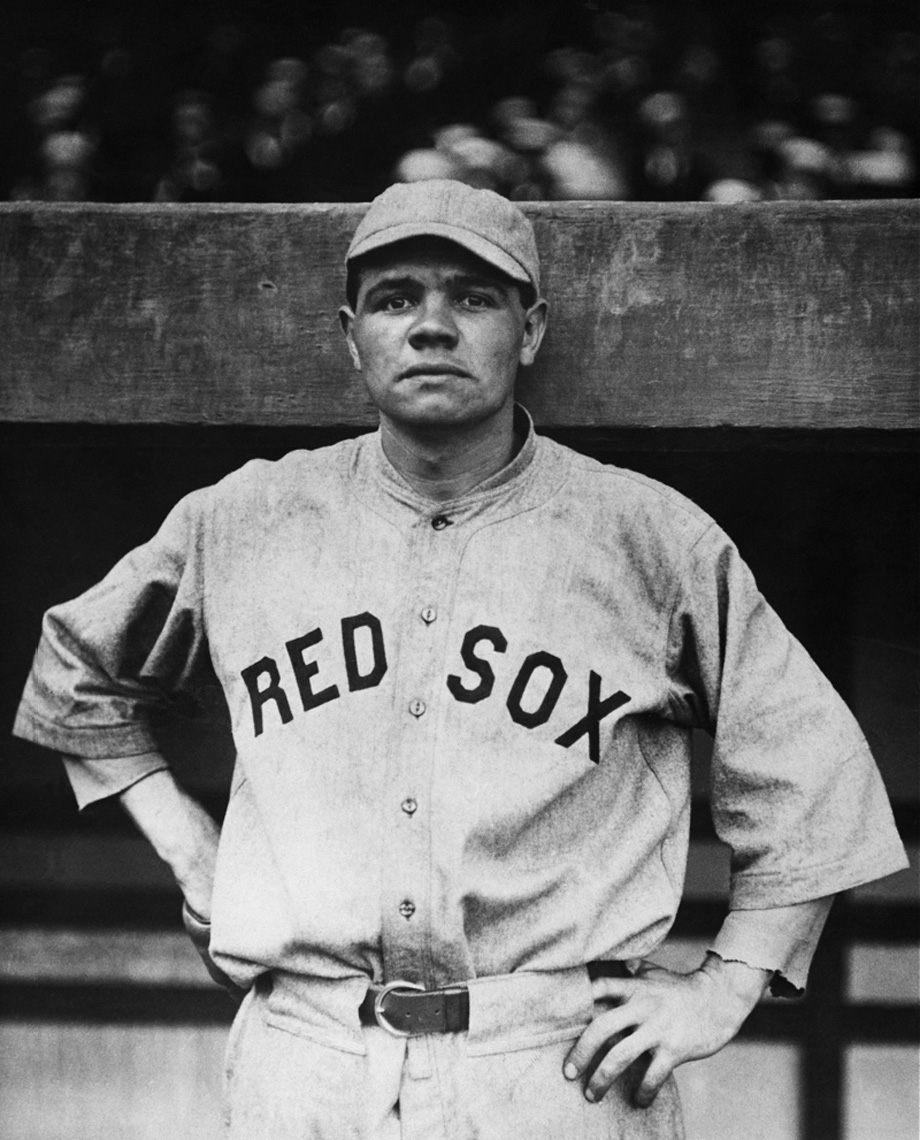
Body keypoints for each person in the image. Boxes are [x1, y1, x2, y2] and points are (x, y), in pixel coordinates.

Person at [13, 179, 907, 1138]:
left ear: (530, 330)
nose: (432, 326)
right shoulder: (243, 519)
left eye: (473, 297)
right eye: (397, 298)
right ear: (350, 332)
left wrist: (730, 981)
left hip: (551, 1062)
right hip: (306, 1054)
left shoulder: (649, 538)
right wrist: (194, 855)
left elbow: (812, 770)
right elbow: (76, 669)